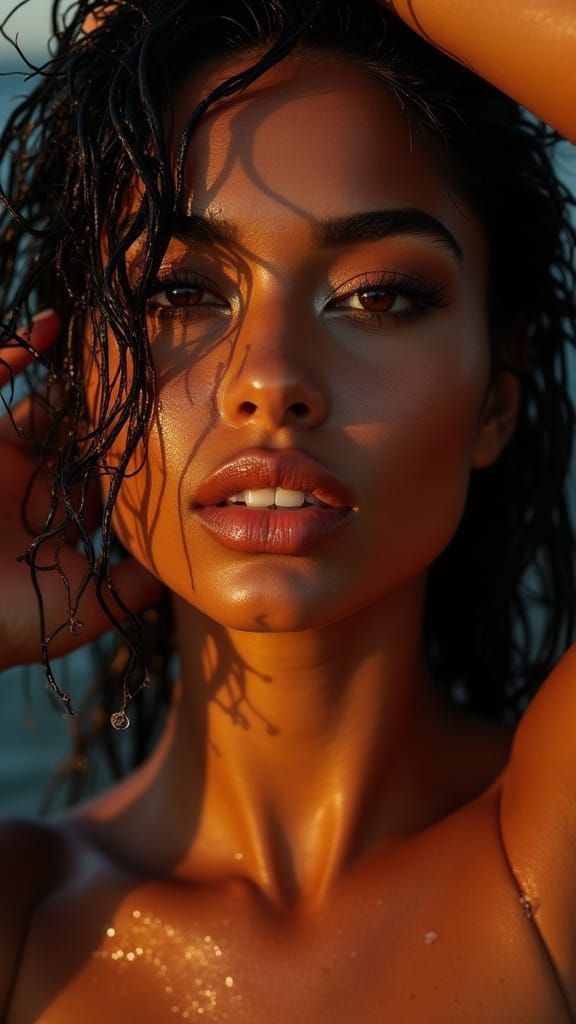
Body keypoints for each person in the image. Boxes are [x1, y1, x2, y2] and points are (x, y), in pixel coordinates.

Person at [0, 0, 575, 1019]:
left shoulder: (551, 866)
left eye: (378, 296)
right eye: (180, 292)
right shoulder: (22, 922)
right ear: (82, 384)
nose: (271, 379)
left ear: (496, 396)